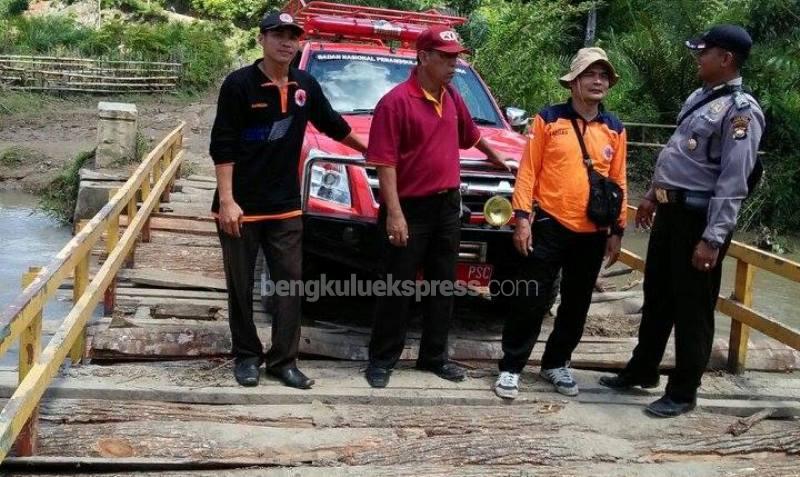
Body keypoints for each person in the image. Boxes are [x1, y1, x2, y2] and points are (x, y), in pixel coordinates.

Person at [599, 25, 764, 418]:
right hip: (670, 211)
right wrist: (652, 195)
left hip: (700, 218)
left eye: (704, 52)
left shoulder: (741, 111)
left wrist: (713, 237)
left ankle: (684, 389)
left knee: (693, 306)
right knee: (658, 295)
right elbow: (678, 154)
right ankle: (643, 369)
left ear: (725, 59)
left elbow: (733, 180)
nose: (697, 57)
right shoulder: (700, 98)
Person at [209, 11, 366, 388]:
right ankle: (247, 356)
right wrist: (227, 201)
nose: (287, 42)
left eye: (293, 36)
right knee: (241, 285)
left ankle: (284, 360)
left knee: (289, 285)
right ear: (262, 39)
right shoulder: (239, 84)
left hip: (285, 205)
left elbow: (334, 125)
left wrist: (372, 152)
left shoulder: (305, 85)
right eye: (278, 34)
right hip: (241, 205)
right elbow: (222, 144)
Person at [364, 26, 512, 388]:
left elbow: (473, 135)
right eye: (445, 57)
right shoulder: (395, 102)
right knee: (396, 287)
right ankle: (382, 360)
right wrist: (394, 213)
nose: (452, 64)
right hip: (409, 209)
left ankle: (434, 357)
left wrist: (500, 160)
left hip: (447, 206)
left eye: (456, 57)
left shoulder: (452, 97)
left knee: (442, 285)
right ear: (424, 56)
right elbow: (384, 163)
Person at [494, 47, 627, 400]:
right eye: (590, 75)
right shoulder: (549, 119)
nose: (598, 81)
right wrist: (521, 218)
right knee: (531, 299)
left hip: (593, 232)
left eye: (603, 76)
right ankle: (511, 367)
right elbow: (528, 171)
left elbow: (619, 180)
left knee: (576, 303)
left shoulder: (614, 127)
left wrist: (618, 229)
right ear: (574, 82)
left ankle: (556, 363)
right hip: (550, 224)